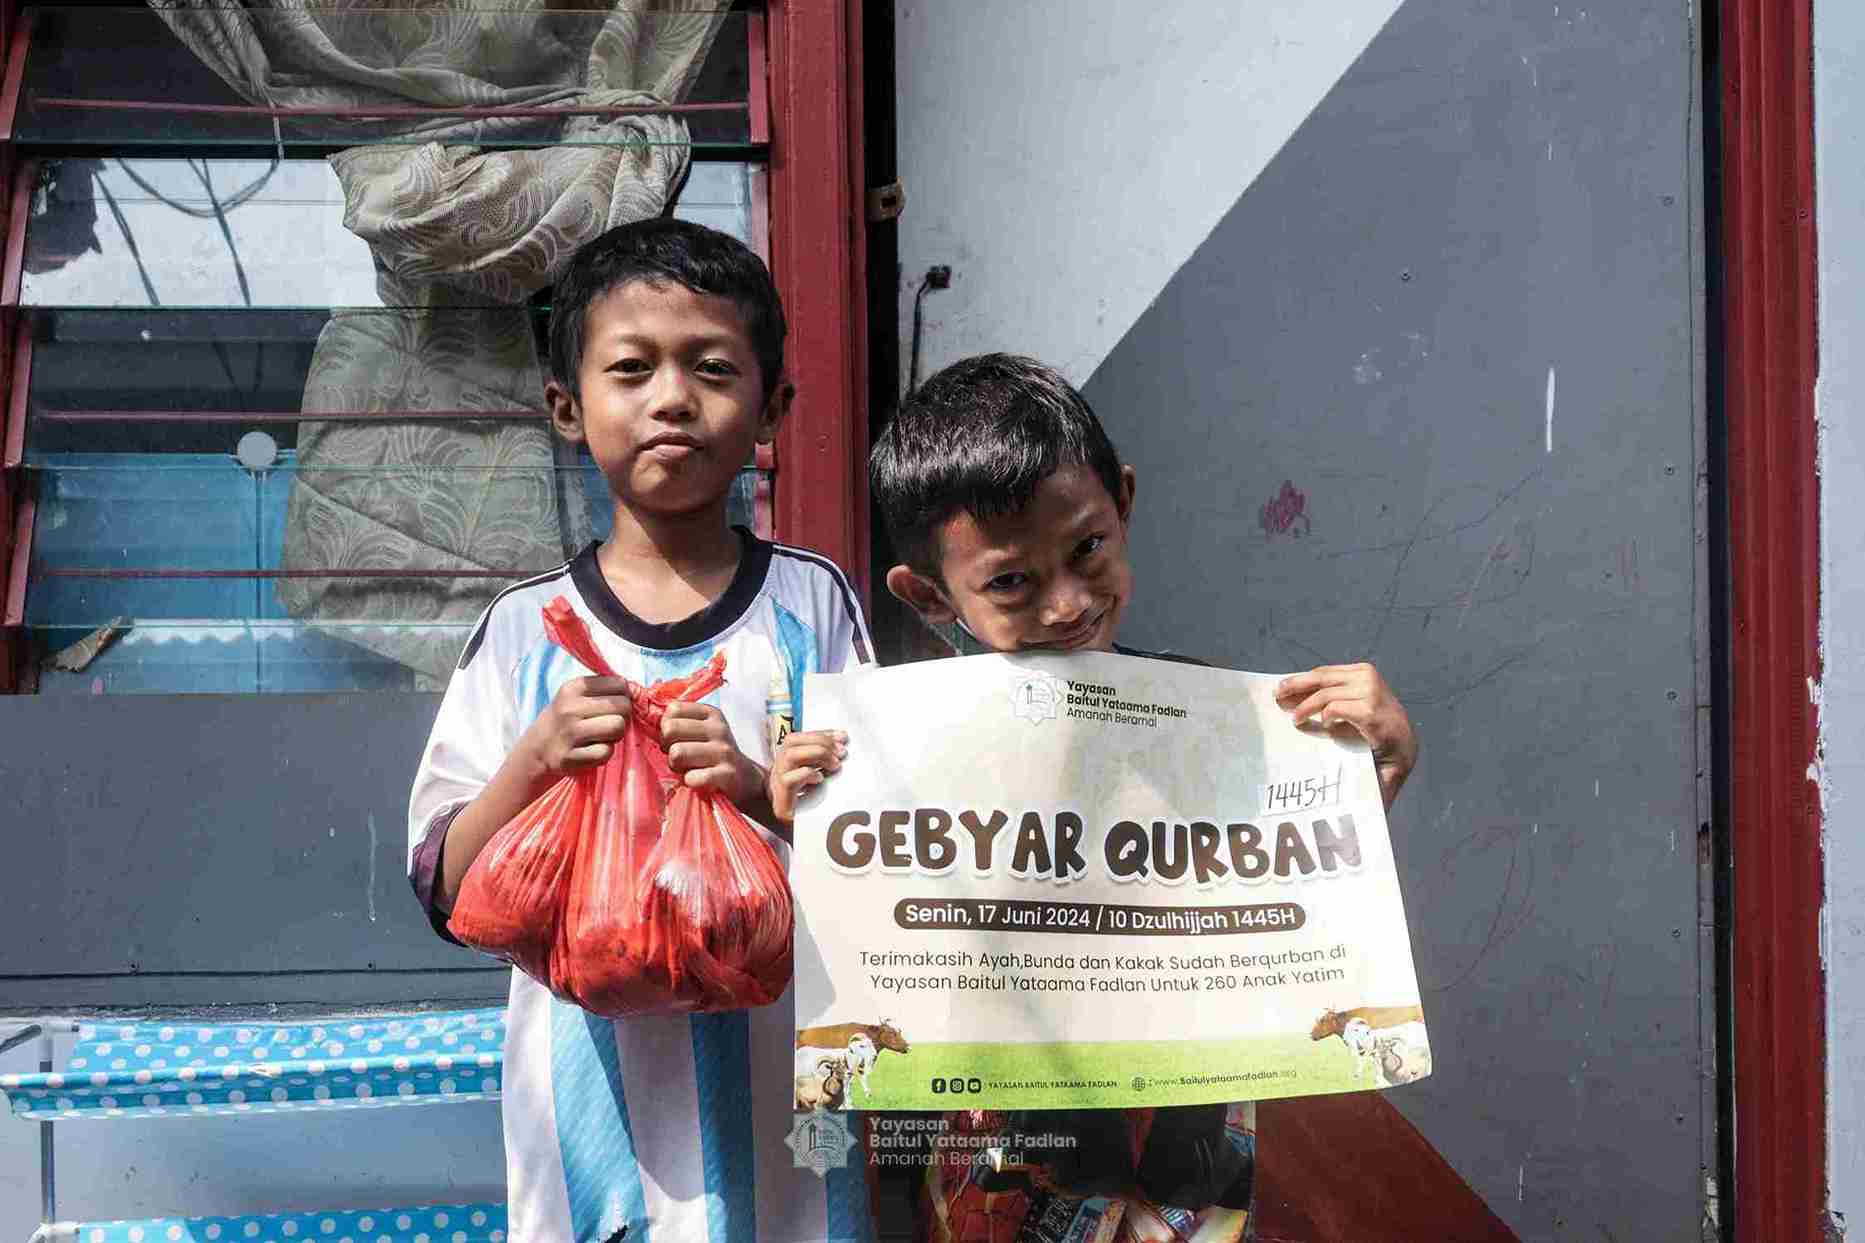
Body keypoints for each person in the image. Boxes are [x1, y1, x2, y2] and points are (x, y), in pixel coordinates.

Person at [768, 353, 1419, 1241]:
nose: (1068, 601)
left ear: (1123, 501)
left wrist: (1370, 774)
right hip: (989, 1178)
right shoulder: (887, 756)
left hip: (1186, 1172)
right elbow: (858, 945)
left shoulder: (1225, 725)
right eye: (1010, 581)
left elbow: (1285, 902)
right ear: (928, 595)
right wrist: (807, 818)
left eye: (1086, 548)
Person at [407, 218, 876, 1243]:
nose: (671, 397)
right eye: (632, 368)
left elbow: (885, 841)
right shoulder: (523, 632)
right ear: (567, 408)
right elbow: (443, 885)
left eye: (711, 367)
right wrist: (532, 762)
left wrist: (755, 790)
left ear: (772, 406)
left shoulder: (810, 605)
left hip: (790, 1094)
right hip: (587, 1112)